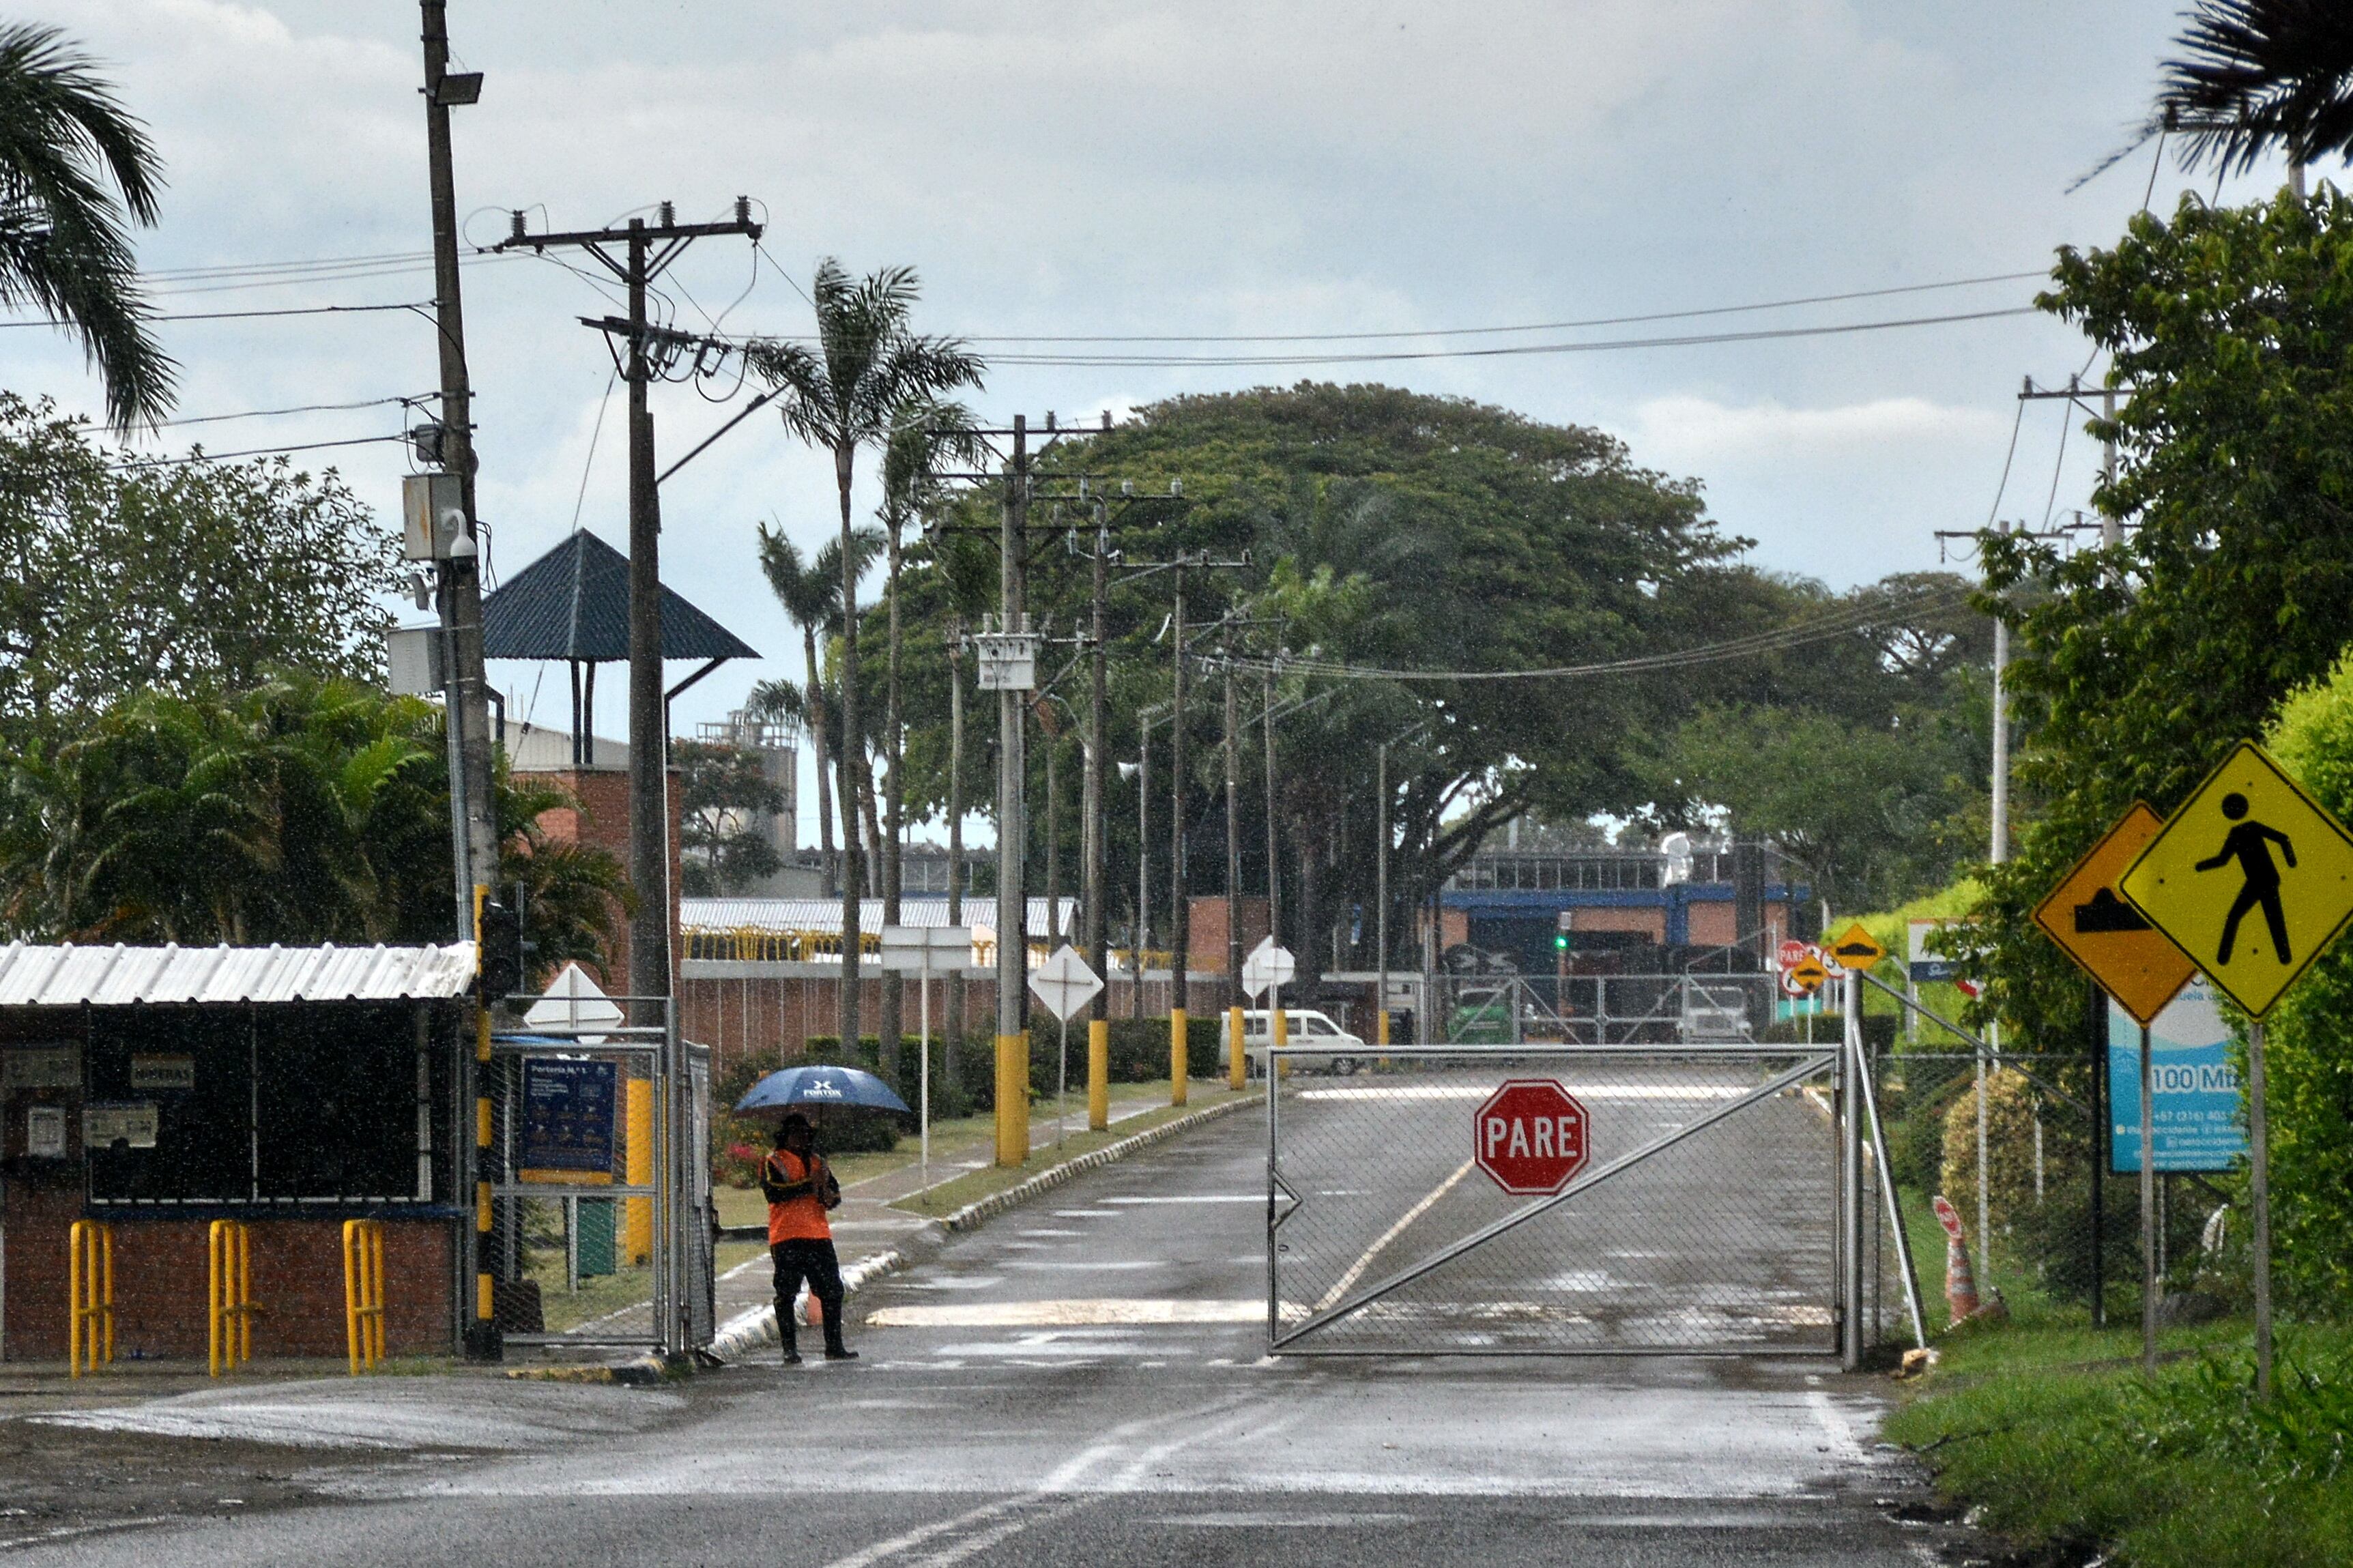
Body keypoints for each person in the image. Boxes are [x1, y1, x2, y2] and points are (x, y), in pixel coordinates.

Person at [762, 1113, 855, 1363]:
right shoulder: (773, 1162)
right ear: (785, 1137)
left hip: (818, 1235)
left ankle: (834, 1346)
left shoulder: (818, 1163)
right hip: (787, 1236)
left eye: (805, 1134)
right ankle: (789, 1349)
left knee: (832, 1291)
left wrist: (825, 1191)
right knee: (786, 1293)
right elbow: (775, 1193)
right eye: (796, 1134)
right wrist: (808, 1184)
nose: (801, 1139)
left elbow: (834, 1197)